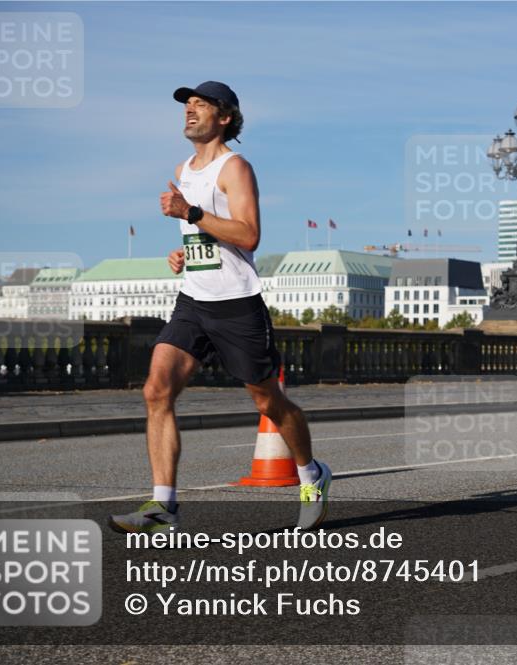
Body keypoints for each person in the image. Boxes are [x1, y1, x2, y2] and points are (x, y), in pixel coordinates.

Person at [110, 81, 331, 534]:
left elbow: (248, 235)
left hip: (236, 306)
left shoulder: (235, 167)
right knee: (156, 390)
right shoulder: (184, 169)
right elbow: (202, 237)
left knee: (268, 401)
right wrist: (184, 252)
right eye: (187, 106)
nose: (189, 112)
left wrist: (189, 213)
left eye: (200, 106)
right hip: (194, 301)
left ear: (225, 117)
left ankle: (312, 474)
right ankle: (163, 508)